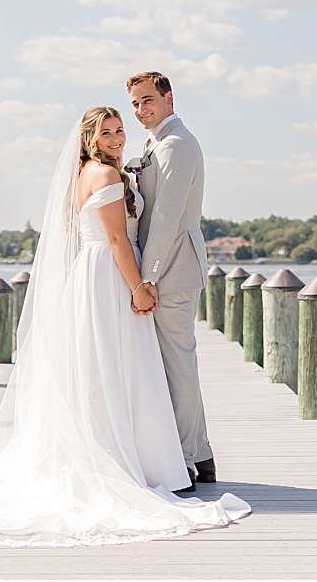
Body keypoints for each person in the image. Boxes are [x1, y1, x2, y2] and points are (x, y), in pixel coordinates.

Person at [0, 105, 248, 546]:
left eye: (120, 131)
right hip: (111, 274)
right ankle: (131, 462)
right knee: (120, 369)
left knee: (105, 370)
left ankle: (125, 454)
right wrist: (138, 286)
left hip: (92, 275)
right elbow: (117, 239)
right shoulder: (107, 177)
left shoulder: (87, 175)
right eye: (108, 133)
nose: (117, 138)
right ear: (89, 140)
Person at [126, 70, 215, 488]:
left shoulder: (177, 145)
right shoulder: (155, 143)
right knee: (171, 363)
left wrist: (147, 277)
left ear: (169, 97)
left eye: (148, 100)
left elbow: (167, 218)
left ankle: (186, 457)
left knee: (177, 364)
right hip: (165, 266)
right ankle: (198, 452)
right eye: (136, 104)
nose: (141, 110)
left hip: (173, 268)